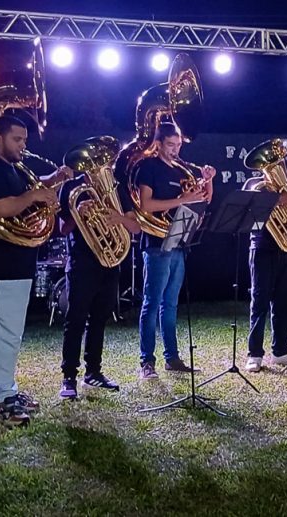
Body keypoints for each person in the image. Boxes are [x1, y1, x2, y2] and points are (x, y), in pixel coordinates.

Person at [0, 115, 72, 426]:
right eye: (17, 140)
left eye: (25, 140)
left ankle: (2, 391)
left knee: (6, 335)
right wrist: (35, 196)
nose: (23, 146)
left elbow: (32, 191)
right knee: (5, 336)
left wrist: (55, 180)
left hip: (11, 263)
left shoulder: (11, 168)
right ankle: (4, 399)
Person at [134, 122, 216, 379]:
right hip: (156, 243)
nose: (175, 150)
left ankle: (172, 357)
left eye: (178, 145)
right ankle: (147, 361)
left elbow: (203, 200)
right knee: (152, 303)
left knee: (170, 304)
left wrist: (208, 182)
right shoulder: (148, 167)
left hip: (178, 241)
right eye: (171, 145)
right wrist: (182, 200)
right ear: (158, 144)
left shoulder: (182, 170)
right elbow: (146, 205)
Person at [56, 162, 143, 399]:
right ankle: (69, 377)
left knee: (99, 320)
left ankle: (93, 372)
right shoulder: (71, 188)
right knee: (75, 320)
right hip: (81, 263)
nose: (101, 167)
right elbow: (63, 229)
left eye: (105, 162)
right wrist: (77, 213)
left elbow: (135, 228)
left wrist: (118, 218)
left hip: (110, 262)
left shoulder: (118, 189)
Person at [241, 174, 287, 372]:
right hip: (262, 246)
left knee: (285, 301)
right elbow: (245, 217)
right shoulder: (254, 183)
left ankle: (281, 351)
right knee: (260, 301)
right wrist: (269, 203)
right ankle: (254, 354)